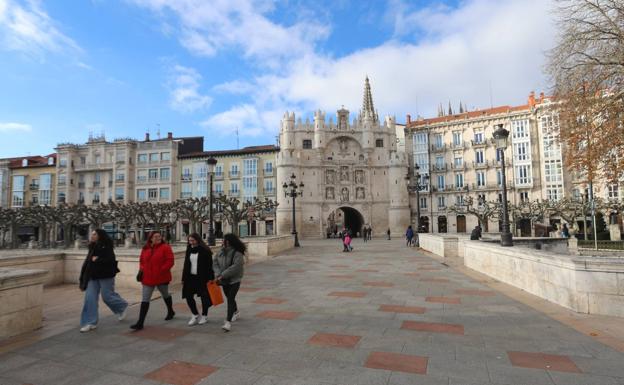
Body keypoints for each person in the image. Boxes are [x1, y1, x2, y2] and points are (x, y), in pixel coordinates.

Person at [79, 229, 128, 333]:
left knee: (107, 296)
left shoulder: (107, 246)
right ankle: (90, 322)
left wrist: (97, 259)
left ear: (100, 235)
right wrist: (82, 277)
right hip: (92, 276)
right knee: (90, 299)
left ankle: (121, 306)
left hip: (106, 275)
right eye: (91, 234)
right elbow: (87, 262)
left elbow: (110, 260)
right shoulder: (91, 246)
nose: (92, 236)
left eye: (94, 234)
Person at [130, 231, 175, 330]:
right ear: (150, 238)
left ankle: (170, 311)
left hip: (161, 277)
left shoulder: (166, 247)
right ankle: (140, 322)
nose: (158, 238)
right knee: (145, 299)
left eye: (159, 236)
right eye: (155, 236)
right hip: (147, 278)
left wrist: (161, 270)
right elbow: (141, 260)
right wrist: (142, 269)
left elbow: (170, 261)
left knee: (165, 294)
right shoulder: (145, 248)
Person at [214, 233, 245, 332]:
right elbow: (215, 263)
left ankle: (227, 322)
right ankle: (235, 311)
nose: (223, 241)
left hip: (234, 280)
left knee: (230, 298)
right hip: (223, 280)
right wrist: (218, 274)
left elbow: (236, 267)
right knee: (229, 297)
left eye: (225, 240)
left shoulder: (238, 253)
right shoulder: (220, 252)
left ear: (229, 241)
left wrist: (222, 275)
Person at [182, 233, 214, 326]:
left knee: (204, 297)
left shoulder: (205, 250)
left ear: (198, 240)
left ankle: (204, 315)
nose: (191, 242)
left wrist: (210, 278)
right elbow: (186, 264)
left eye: (193, 240)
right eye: (189, 240)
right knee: (188, 296)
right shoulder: (189, 249)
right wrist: (183, 278)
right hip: (190, 277)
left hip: (202, 278)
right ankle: (195, 314)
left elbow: (209, 266)